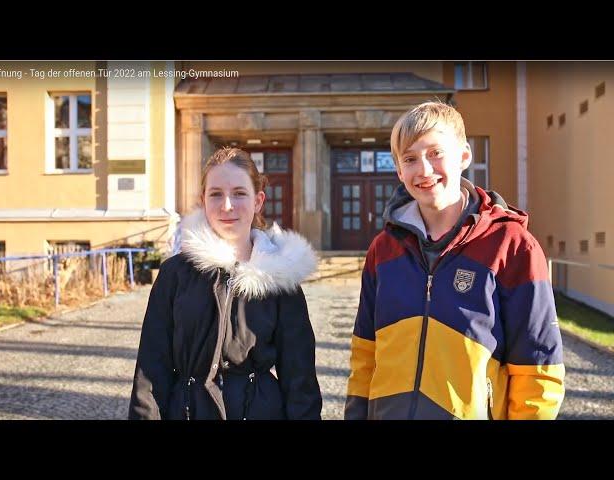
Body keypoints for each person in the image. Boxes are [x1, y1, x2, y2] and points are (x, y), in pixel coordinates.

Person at [344, 101, 565, 420]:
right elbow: (365, 355)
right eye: (410, 158)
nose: (423, 169)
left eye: (435, 153)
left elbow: (538, 369)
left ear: (463, 155)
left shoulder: (513, 247)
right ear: (399, 171)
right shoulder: (383, 250)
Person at [129, 147, 322, 420]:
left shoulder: (279, 279)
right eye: (216, 194)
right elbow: (151, 369)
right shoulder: (175, 274)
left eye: (239, 193)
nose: (227, 205)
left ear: (258, 201)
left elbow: (299, 379)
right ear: (203, 200)